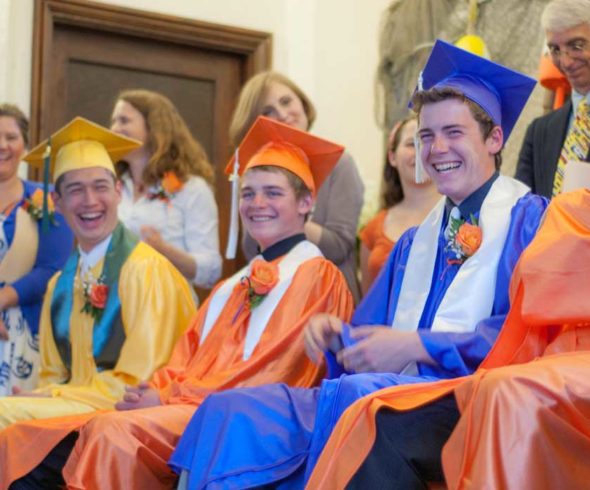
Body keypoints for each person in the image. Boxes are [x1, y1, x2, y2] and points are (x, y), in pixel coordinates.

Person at [306, 22, 590, 490]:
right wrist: (345, 339)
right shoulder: (416, 241)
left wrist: (554, 220)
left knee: (495, 392)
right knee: (378, 413)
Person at [168, 40, 547, 490]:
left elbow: (525, 335)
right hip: (390, 392)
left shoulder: (528, 219)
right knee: (229, 408)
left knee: (357, 402)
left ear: (495, 138)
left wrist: (417, 346)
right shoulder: (414, 243)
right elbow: (373, 337)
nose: (436, 148)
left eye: (454, 132)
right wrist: (340, 337)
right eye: (426, 135)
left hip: (470, 398)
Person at [1, 116, 355, 489]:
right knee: (56, 445)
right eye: (248, 193)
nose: (257, 203)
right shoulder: (231, 286)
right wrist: (154, 389)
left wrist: (165, 395)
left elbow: (270, 373)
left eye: (273, 192)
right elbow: (185, 357)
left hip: (247, 422)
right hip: (195, 409)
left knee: (110, 432)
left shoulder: (316, 275)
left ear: (306, 202)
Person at [0, 117, 195, 435]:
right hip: (79, 416)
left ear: (118, 192)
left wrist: (52, 396)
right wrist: (44, 395)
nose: (90, 201)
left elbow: (138, 383)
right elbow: (52, 374)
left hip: (127, 424)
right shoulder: (59, 285)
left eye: (100, 186)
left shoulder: (146, 271)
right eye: (75, 190)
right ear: (57, 203)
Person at [233, 71, 365, 300]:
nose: (283, 114)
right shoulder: (253, 173)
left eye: (286, 101)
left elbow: (338, 247)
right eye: (267, 112)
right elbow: (251, 249)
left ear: (302, 102)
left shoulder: (339, 164)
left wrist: (289, 212)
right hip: (271, 295)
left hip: (327, 298)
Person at [110, 89, 222, 289]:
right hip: (114, 306)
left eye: (124, 121)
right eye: (114, 121)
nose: (114, 129)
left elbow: (211, 272)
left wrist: (164, 250)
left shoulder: (193, 189)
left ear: (154, 129)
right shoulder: (111, 185)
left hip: (168, 307)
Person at [0, 104, 73, 396]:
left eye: (11, 137)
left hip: (25, 331)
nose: (2, 145)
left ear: (25, 146)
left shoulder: (45, 198)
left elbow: (53, 268)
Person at [514, 0, 590, 198]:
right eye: (555, 49)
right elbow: (523, 210)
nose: (566, 61)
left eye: (576, 45)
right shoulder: (539, 132)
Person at [359, 116, 440, 293]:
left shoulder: (460, 213)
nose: (420, 151)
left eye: (427, 141)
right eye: (411, 144)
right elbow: (366, 304)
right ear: (392, 156)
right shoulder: (373, 229)